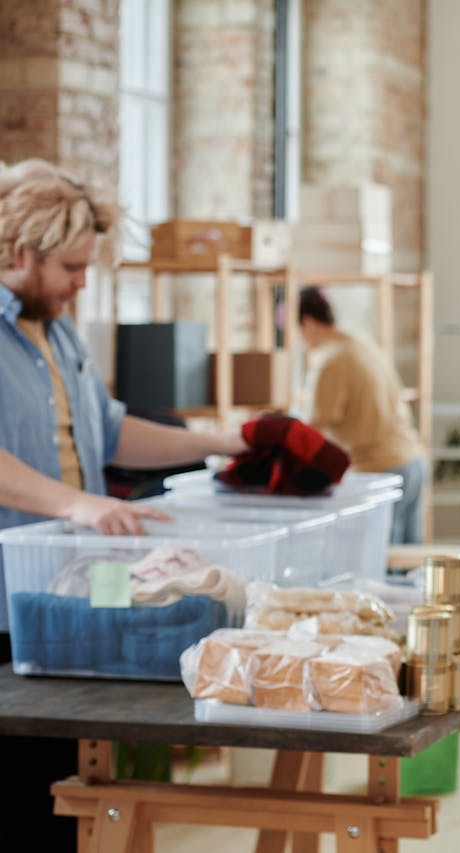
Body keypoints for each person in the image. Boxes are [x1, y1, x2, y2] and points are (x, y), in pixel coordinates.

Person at [0, 158, 248, 849]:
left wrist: (225, 440)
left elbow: (108, 431)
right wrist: (77, 505)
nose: (82, 284)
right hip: (6, 598)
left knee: (69, 784)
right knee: (16, 791)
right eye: (72, 269)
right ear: (22, 252)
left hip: (70, 593)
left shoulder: (61, 332)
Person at [296, 286, 428, 543]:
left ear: (308, 323)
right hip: (412, 461)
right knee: (410, 567)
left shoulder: (331, 360)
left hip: (380, 470)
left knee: (384, 567)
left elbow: (310, 430)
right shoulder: (361, 344)